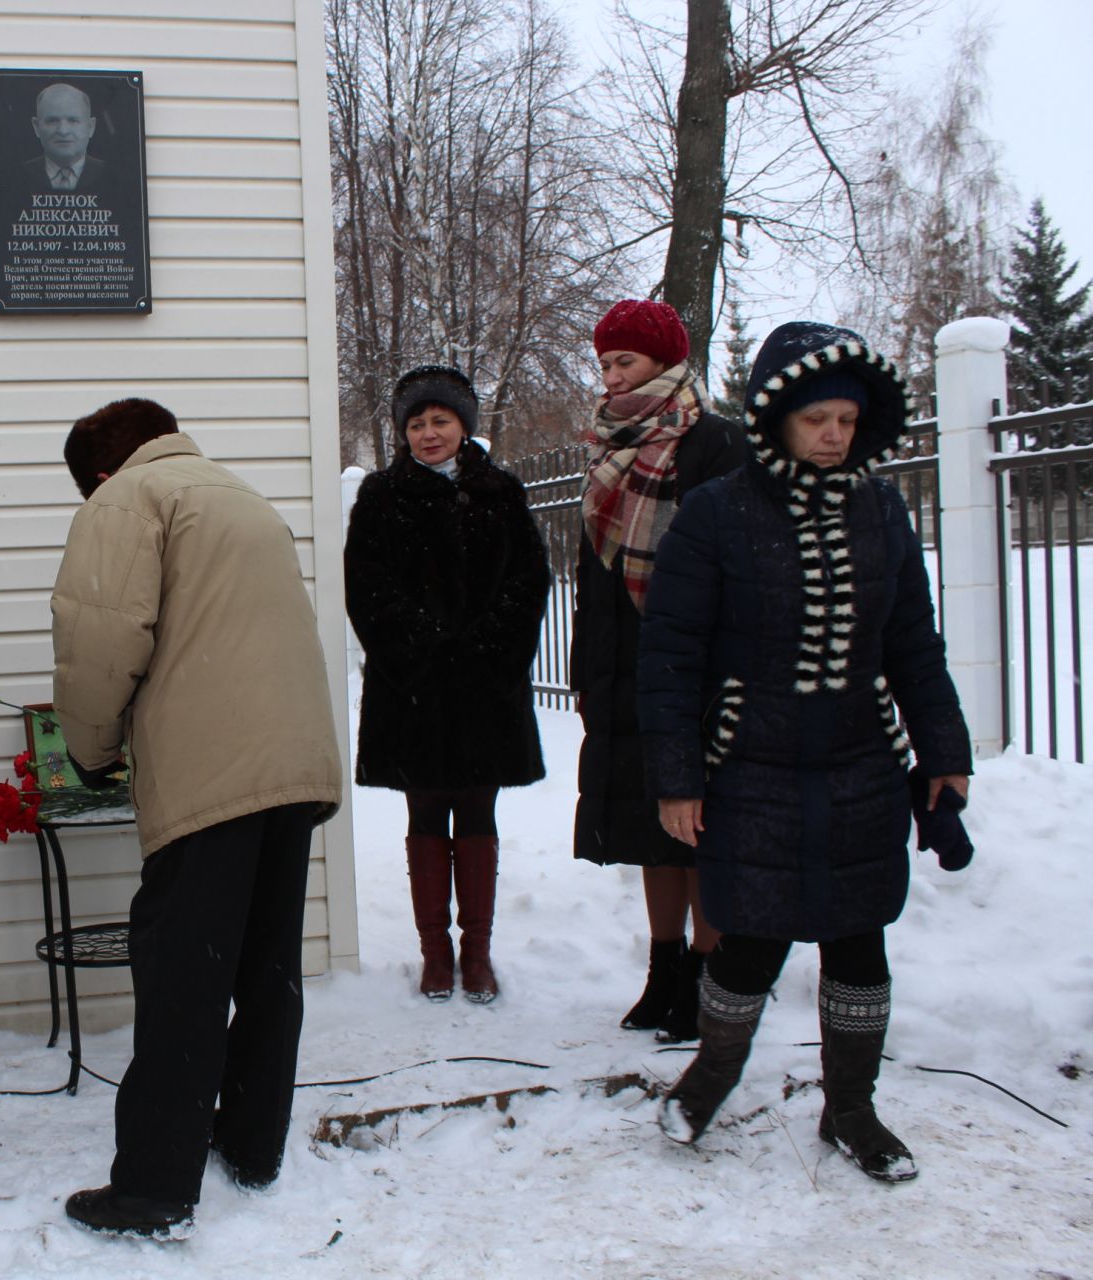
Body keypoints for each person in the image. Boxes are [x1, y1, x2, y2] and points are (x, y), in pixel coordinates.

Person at [638, 321, 973, 1182]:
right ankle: (709, 1078)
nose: (833, 435)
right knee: (750, 938)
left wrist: (942, 751)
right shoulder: (717, 512)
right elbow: (670, 658)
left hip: (862, 763)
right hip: (752, 763)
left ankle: (851, 1111)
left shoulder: (882, 508)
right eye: (817, 418)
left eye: (846, 421)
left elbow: (914, 644)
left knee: (859, 942)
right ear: (778, 417)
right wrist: (677, 778)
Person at [51, 398, 342, 1239]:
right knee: (264, 967)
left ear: (100, 474)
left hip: (212, 774)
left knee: (184, 977)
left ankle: (152, 1188)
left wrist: (93, 752)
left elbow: (101, 642)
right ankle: (251, 1146)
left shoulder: (128, 501)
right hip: (289, 768)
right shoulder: (241, 497)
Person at [570, 301, 747, 1041]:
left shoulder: (715, 445)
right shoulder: (609, 448)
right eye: (606, 363)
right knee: (648, 830)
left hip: (692, 672)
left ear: (664, 363)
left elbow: (733, 567)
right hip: (623, 668)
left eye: (626, 362)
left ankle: (707, 978)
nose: (611, 377)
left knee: (696, 828)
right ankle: (664, 969)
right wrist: (587, 668)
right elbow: (593, 573)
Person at [344, 365, 550, 1003]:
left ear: (464, 425)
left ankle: (477, 953)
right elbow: (367, 587)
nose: (428, 434)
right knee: (426, 814)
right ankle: (435, 954)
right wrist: (425, 652)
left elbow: (528, 583)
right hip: (414, 690)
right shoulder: (382, 496)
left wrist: (485, 653)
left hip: (487, 690)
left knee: (479, 815)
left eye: (440, 421)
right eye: (416, 424)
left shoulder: (501, 492)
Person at [20, 82, 112, 193]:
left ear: (91, 127)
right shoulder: (17, 175)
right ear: (36, 127)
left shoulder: (112, 174)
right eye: (52, 121)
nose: (63, 131)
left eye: (73, 121)